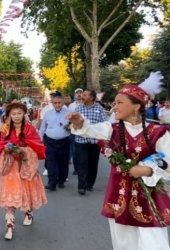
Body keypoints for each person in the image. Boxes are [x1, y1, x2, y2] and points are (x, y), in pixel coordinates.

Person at [68, 82, 170, 250]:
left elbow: (168, 159)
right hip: (120, 196)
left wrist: (148, 169)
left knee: (154, 244)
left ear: (136, 106)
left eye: (120, 103)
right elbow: (90, 130)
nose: (114, 107)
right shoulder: (112, 129)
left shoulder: (158, 132)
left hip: (150, 197)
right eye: (114, 103)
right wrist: (79, 123)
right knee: (123, 243)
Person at [0, 102, 47, 240]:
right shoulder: (5, 129)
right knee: (10, 196)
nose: (16, 116)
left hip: (26, 165)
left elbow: (37, 145)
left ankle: (28, 212)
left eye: (19, 113)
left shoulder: (30, 129)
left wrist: (23, 150)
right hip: (11, 167)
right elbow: (0, 144)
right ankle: (10, 226)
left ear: (24, 114)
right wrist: (5, 149)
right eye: (13, 114)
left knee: (27, 191)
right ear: (9, 116)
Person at [73, 90, 107, 195]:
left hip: (94, 141)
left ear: (92, 97)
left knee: (93, 164)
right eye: (82, 95)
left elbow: (104, 123)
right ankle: (81, 187)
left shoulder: (99, 108)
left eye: (85, 95)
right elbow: (73, 124)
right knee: (82, 164)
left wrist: (104, 139)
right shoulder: (78, 108)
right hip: (80, 141)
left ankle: (90, 184)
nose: (82, 96)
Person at [39, 93, 71, 191]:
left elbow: (73, 126)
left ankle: (61, 180)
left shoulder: (69, 113)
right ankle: (51, 183)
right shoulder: (48, 114)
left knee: (63, 162)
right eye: (55, 103)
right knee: (50, 162)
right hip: (50, 142)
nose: (57, 105)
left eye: (59, 103)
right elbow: (43, 128)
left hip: (64, 142)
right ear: (52, 103)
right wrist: (40, 139)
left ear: (62, 103)